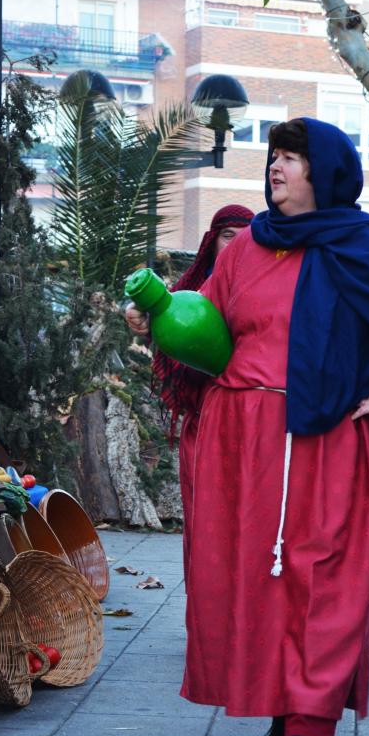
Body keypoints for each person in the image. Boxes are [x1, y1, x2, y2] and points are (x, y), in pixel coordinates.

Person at [179, 117, 369, 736]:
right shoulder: (245, 247)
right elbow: (207, 322)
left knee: (321, 576)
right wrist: (159, 317)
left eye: (293, 158)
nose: (276, 166)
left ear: (325, 171)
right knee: (256, 576)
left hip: (323, 435)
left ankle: (311, 724)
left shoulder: (365, 246)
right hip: (242, 438)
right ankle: (280, 705)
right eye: (274, 155)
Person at [124, 204, 254, 576]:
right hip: (201, 420)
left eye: (245, 236)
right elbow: (162, 313)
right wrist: (138, 314)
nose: (236, 244)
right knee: (205, 517)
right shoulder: (195, 287)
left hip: (248, 416)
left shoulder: (259, 286)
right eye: (228, 236)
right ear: (212, 243)